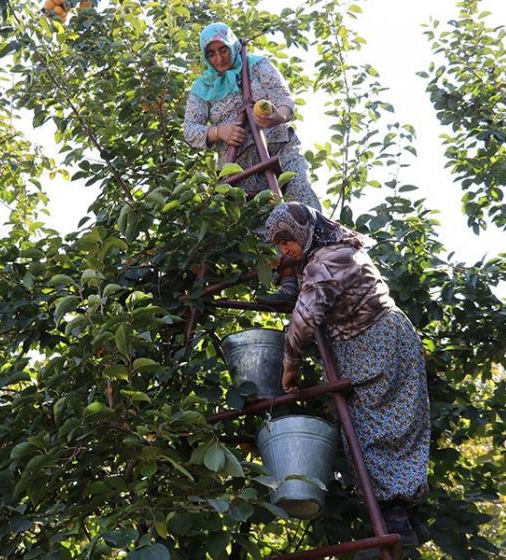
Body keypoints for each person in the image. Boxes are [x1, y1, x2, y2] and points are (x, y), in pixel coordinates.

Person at [264, 202, 431, 558]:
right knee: (399, 423)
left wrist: (289, 364)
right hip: (388, 336)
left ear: (302, 234)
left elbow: (306, 317)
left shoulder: (327, 261)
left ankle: (395, 514)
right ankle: (406, 514)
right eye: (277, 246)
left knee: (375, 428)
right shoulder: (335, 249)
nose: (283, 251)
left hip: (373, 344)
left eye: (286, 242)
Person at [183, 23, 321, 303]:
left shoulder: (257, 66)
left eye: (224, 50)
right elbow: (190, 129)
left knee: (303, 205)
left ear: (233, 46)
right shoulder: (202, 87)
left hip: (277, 148)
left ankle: (324, 270)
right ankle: (289, 282)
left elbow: (286, 104)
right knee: (261, 221)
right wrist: (219, 132)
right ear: (205, 56)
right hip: (240, 167)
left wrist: (274, 117)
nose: (220, 58)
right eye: (212, 53)